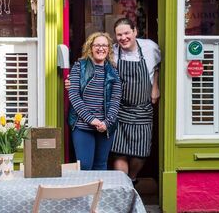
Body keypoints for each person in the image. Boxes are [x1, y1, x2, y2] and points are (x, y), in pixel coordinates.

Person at [110, 18, 161, 184]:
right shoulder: (113, 52)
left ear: (135, 32)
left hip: (143, 108)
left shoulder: (150, 47)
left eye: (127, 33)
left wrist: (155, 86)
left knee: (141, 152)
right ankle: (124, 186)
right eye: (119, 34)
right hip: (120, 109)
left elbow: (157, 67)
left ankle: (132, 178)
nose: (123, 37)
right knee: (119, 151)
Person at [67, 32, 122, 170]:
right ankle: (85, 192)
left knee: (101, 165)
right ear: (90, 47)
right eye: (97, 45)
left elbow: (116, 100)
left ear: (109, 49)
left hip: (105, 126)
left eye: (104, 45)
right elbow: (73, 95)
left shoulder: (113, 71)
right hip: (83, 126)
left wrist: (106, 122)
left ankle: (99, 193)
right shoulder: (79, 66)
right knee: (85, 166)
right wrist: (91, 119)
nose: (101, 48)